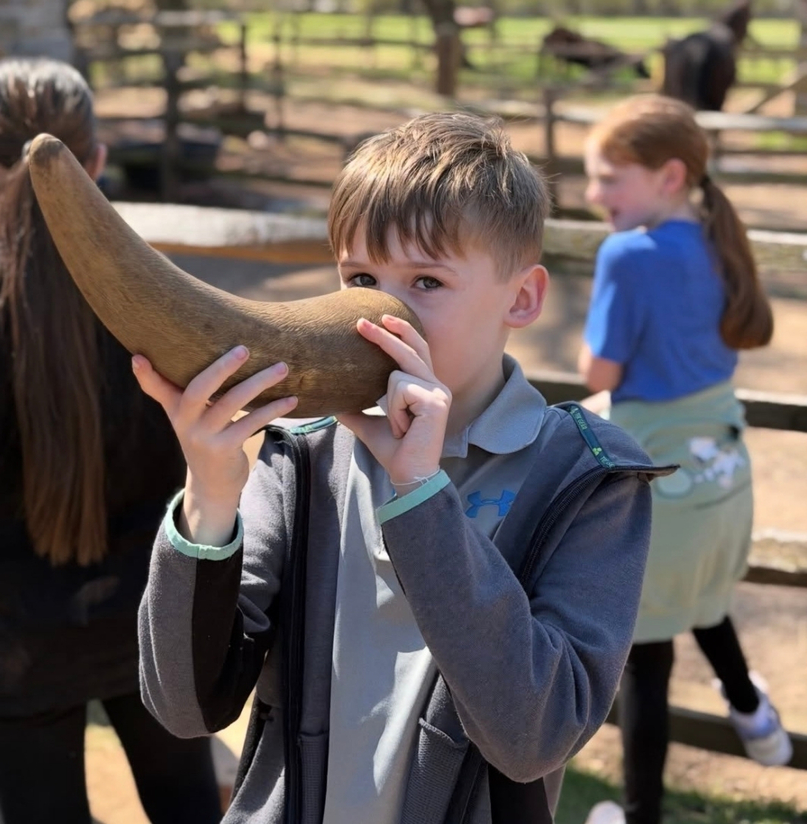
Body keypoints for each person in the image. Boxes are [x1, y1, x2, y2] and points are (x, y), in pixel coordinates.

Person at [135, 111, 672, 824]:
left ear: (522, 298)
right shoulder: (301, 456)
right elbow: (184, 705)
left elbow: (533, 735)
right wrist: (208, 495)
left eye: (425, 281)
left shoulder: (586, 479)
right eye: (360, 278)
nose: (378, 318)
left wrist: (420, 492)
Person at [0, 58, 223, 824]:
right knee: (188, 807)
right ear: (93, 164)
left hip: (11, 647)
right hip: (151, 627)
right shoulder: (167, 304)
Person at [577, 95, 792, 824]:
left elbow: (598, 374)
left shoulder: (626, 255)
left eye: (609, 178)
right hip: (723, 478)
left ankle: (638, 815)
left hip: (660, 482)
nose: (592, 195)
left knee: (646, 652)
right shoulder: (715, 239)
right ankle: (752, 715)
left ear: (668, 175)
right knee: (704, 600)